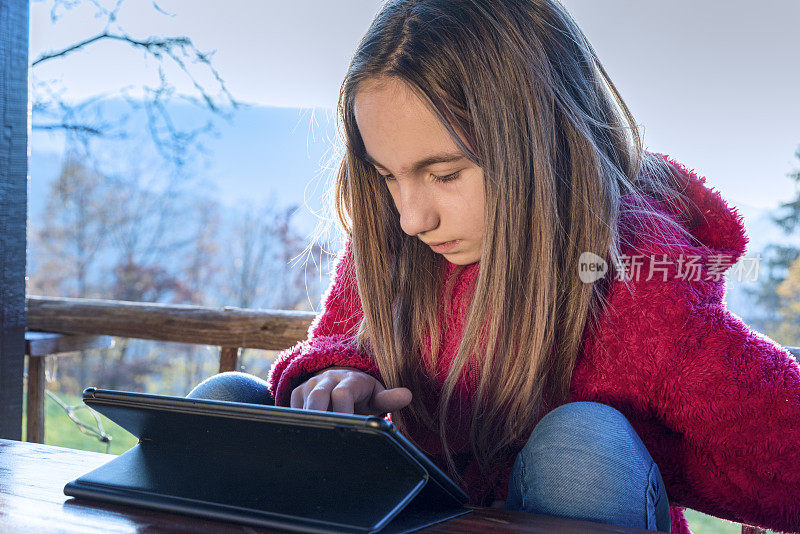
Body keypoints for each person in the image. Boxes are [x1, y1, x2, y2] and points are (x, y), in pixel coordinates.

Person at [187, 1, 800, 532]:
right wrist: (338, 377)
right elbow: (339, 341)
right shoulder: (396, 241)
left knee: (580, 441)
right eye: (388, 176)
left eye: (445, 174)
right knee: (223, 403)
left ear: (542, 143)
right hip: (408, 514)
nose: (411, 217)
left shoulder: (635, 284)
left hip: (574, 506)